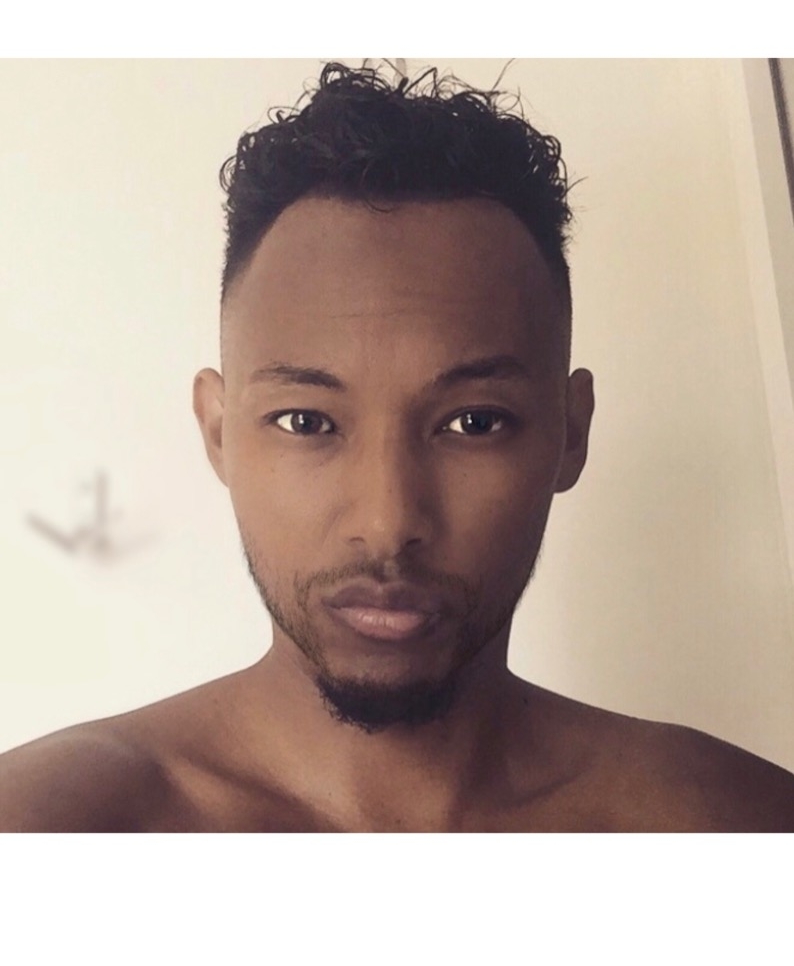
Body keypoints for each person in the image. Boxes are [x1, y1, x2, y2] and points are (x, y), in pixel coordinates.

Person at [2, 62, 794, 833]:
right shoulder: (53, 827)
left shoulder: (734, 823)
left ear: (570, 432)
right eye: (307, 422)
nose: (386, 524)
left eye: (473, 423)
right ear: (218, 431)